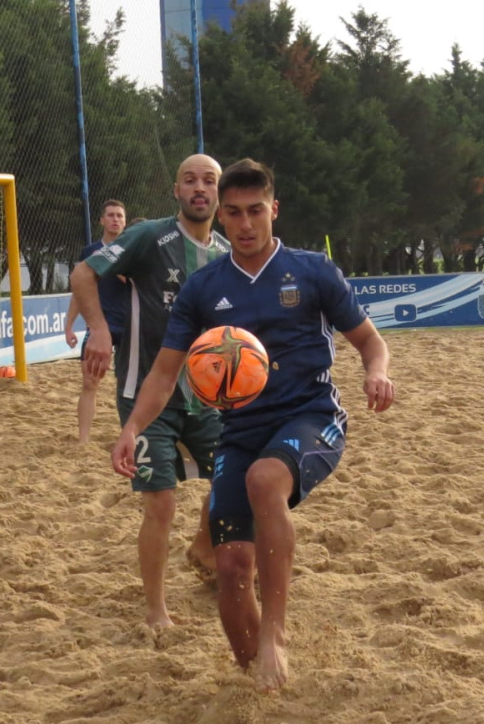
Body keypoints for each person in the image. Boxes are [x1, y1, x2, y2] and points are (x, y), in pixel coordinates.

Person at [110, 158, 395, 692]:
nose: (245, 224)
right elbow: (165, 371)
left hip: (312, 418)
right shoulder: (203, 289)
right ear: (220, 217)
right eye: (234, 213)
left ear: (274, 209)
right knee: (232, 570)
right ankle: (259, 684)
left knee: (265, 480)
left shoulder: (313, 272)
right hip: (238, 433)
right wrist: (132, 429)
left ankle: (276, 636)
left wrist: (377, 374)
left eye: (255, 211)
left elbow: (370, 342)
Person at [71, 154, 230, 628]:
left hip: (207, 397)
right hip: (144, 394)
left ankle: (203, 546)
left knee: (237, 480)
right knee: (160, 503)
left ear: (219, 194)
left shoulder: (225, 254)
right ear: (177, 191)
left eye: (209, 181)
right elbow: (83, 273)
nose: (199, 188)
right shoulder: (150, 236)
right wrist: (98, 329)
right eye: (189, 180)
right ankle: (157, 612)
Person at [64, 199, 128, 443]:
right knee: (90, 381)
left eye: (120, 216)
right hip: (100, 324)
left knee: (130, 385)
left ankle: (131, 435)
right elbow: (80, 290)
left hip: (130, 325)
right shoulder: (90, 252)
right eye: (110, 215)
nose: (115, 219)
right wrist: (69, 325)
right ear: (102, 220)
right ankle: (83, 441)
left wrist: (117, 265)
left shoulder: (132, 250)